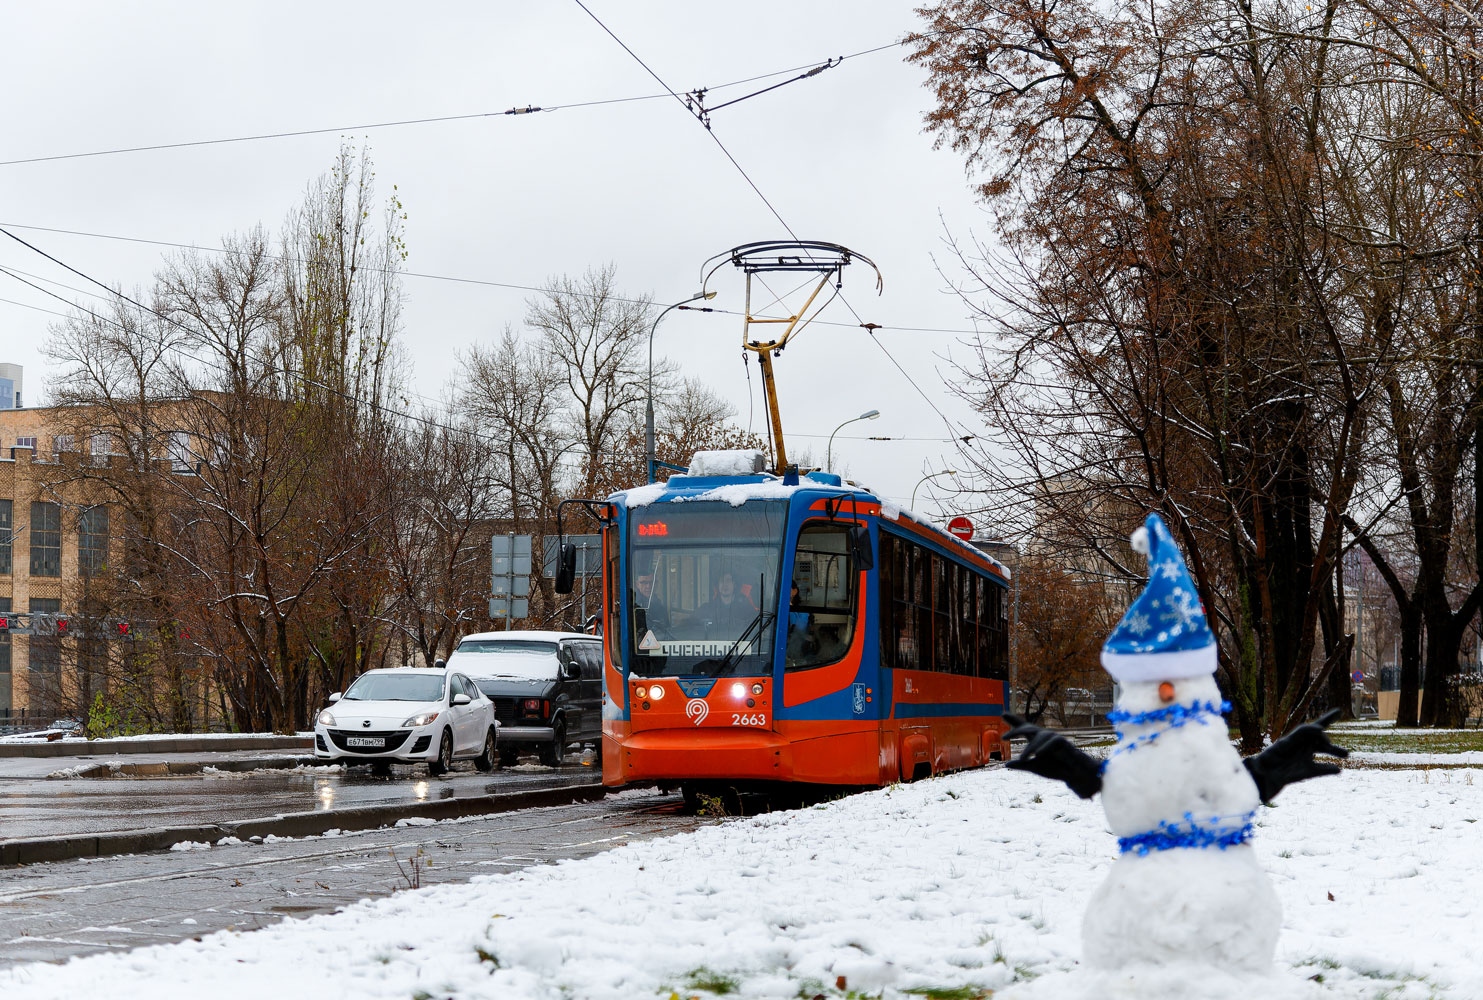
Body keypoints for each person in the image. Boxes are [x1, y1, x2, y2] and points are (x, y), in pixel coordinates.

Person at [694, 570, 755, 637]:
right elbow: (690, 625)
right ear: (717, 585)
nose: (724, 584)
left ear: (734, 584)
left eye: (728, 581)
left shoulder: (746, 610)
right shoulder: (707, 609)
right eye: (721, 581)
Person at [633, 569, 670, 638]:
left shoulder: (659, 604)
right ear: (637, 584)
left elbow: (666, 626)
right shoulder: (634, 604)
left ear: (656, 584)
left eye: (652, 582)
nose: (648, 586)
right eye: (644, 582)